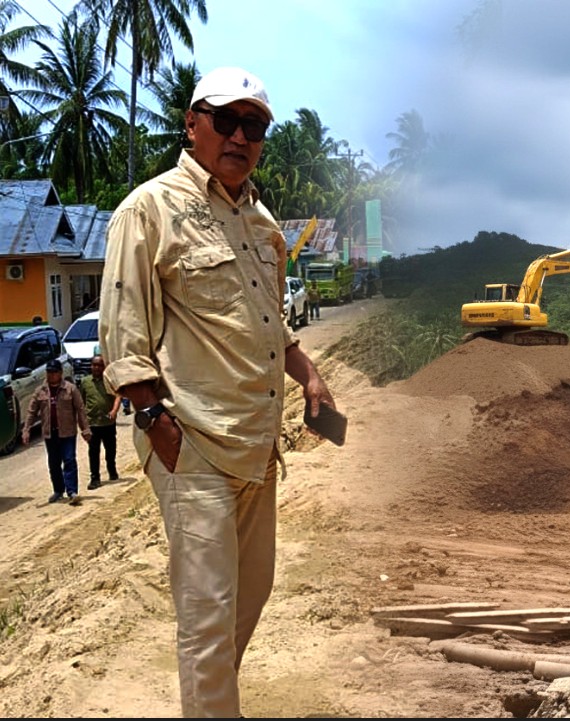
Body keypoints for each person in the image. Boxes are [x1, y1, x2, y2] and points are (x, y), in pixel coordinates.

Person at [99, 65, 336, 718]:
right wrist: (155, 422)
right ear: (192, 124)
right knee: (207, 620)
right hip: (193, 445)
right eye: (226, 120)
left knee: (249, 597)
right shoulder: (148, 210)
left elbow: (270, 323)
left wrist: (309, 374)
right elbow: (123, 333)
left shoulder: (260, 222)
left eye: (253, 125)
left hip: (257, 449)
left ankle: (209, 703)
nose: (239, 135)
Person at [21, 359, 91, 505]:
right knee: (54, 463)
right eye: (49, 372)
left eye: (54, 372)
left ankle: (72, 491)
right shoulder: (40, 391)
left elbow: (80, 410)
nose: (51, 375)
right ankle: (58, 491)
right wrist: (26, 429)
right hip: (49, 433)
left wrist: (85, 429)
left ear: (60, 373)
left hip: (67, 432)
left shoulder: (70, 389)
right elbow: (31, 411)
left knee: (69, 460)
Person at [79, 354, 121, 488]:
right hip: (92, 423)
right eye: (94, 365)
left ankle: (112, 469)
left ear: (104, 367)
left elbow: (118, 396)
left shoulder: (109, 381)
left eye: (99, 365)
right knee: (93, 451)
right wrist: (83, 422)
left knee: (110, 449)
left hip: (108, 422)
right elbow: (81, 401)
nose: (96, 367)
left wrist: (114, 411)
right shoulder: (85, 382)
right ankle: (95, 478)